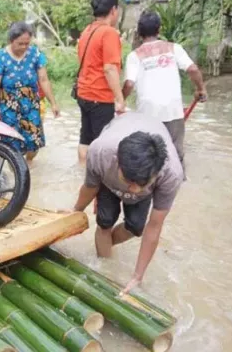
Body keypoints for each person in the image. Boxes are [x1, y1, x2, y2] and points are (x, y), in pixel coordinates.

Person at [72, 113, 183, 295]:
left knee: (136, 227)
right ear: (117, 161)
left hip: (144, 161)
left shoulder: (171, 174)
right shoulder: (100, 152)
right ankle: (104, 262)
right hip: (109, 179)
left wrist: (138, 276)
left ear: (156, 174)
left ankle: (104, 244)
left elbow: (154, 226)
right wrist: (75, 211)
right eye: (128, 180)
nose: (132, 190)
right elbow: (90, 187)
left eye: (141, 184)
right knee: (105, 221)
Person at [122, 11, 207, 167]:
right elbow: (193, 69)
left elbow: (129, 84)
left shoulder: (134, 56)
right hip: (173, 110)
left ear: (139, 33)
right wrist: (201, 89)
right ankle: (178, 183)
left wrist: (120, 102)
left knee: (147, 156)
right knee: (176, 153)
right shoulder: (174, 48)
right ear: (159, 29)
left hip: (148, 113)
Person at [0, 21, 60, 162]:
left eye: (27, 43)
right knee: (11, 145)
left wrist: (53, 103)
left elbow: (44, 79)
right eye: (20, 43)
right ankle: (18, 172)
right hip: (8, 107)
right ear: (11, 40)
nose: (24, 47)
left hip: (31, 105)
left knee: (34, 144)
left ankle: (28, 164)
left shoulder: (36, 54)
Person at [76, 0, 123, 164]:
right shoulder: (109, 33)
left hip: (84, 94)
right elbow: (110, 68)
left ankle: (83, 175)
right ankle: (99, 182)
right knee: (104, 144)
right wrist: (120, 99)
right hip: (100, 97)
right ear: (113, 10)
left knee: (86, 138)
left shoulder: (87, 31)